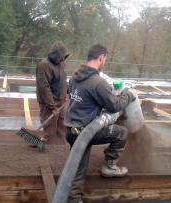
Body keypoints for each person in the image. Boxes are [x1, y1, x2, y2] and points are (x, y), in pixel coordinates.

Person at [64, 44, 136, 203]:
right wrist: (129, 95)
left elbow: (85, 99)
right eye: (105, 59)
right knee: (122, 133)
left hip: (71, 129)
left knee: (78, 165)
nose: (104, 61)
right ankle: (109, 167)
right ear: (101, 57)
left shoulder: (75, 76)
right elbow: (115, 106)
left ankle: (74, 196)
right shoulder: (98, 82)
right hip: (85, 131)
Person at [36, 42, 70, 142]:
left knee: (62, 125)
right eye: (61, 57)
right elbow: (44, 87)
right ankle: (46, 144)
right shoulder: (44, 65)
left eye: (64, 57)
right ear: (54, 55)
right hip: (49, 103)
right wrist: (52, 106)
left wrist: (68, 91)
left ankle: (60, 146)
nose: (63, 59)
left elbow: (63, 80)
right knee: (50, 127)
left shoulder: (60, 63)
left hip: (61, 101)